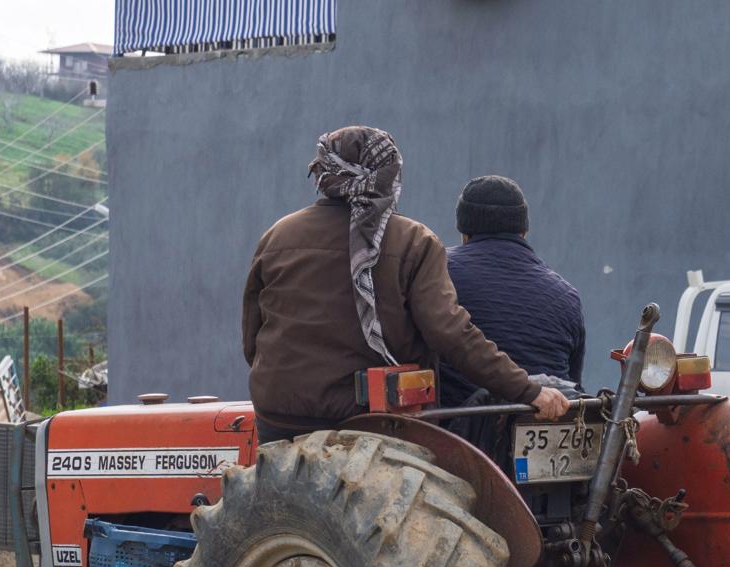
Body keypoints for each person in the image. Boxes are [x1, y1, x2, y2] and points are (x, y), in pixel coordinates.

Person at [242, 127, 570, 442]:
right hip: (373, 422)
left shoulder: (277, 235)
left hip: (279, 417)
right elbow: (449, 332)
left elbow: (251, 338)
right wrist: (527, 390)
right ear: (389, 174)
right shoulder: (413, 241)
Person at [440, 176, 586, 408]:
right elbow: (572, 380)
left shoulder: (438, 272)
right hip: (551, 428)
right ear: (524, 230)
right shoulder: (567, 295)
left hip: (459, 433)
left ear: (463, 231)